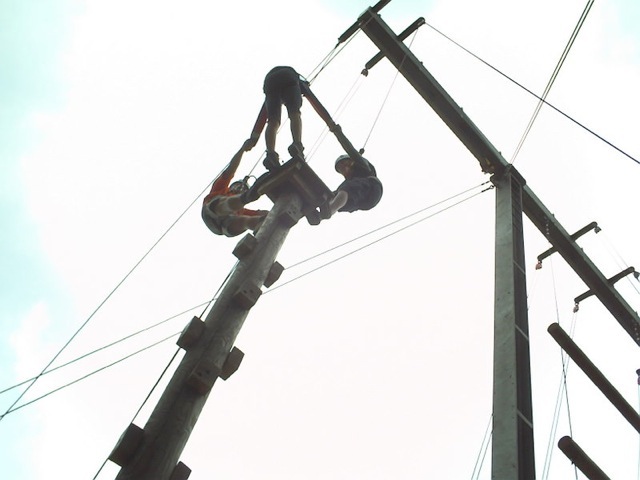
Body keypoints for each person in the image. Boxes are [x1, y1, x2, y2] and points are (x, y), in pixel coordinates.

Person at [246, 66, 311, 170]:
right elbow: (314, 101)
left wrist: (253, 139)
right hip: (288, 76)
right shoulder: (301, 85)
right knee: (294, 113)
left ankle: (271, 154)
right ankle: (297, 144)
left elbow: (262, 115)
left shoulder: (273, 93)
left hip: (269, 81)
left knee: (273, 121)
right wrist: (332, 125)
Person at [201, 141, 269, 237]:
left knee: (245, 220)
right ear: (231, 186)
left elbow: (259, 213)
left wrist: (273, 214)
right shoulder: (221, 189)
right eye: (237, 185)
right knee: (224, 203)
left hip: (226, 226)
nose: (240, 188)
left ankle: (259, 225)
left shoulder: (241, 210)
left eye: (244, 189)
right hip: (211, 213)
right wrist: (242, 150)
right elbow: (231, 169)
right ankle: (245, 198)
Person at [311, 153, 383, 224]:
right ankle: (319, 216)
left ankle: (330, 210)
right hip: (364, 202)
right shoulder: (351, 181)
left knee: (346, 189)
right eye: (340, 169)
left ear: (350, 162)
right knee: (336, 196)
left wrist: (355, 156)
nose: (342, 169)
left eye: (342, 165)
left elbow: (351, 150)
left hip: (373, 187)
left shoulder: (361, 166)